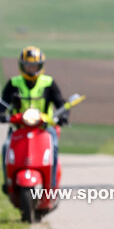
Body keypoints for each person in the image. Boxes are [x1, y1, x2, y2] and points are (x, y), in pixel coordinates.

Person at [1, 47, 68, 189]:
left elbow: (60, 103)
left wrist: (63, 116)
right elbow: (3, 103)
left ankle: (52, 184)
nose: (31, 69)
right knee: (6, 147)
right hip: (19, 128)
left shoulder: (48, 83)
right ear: (21, 66)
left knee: (53, 149)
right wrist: (2, 114)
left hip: (44, 128)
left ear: (40, 66)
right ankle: (8, 183)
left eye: (34, 66)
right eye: (28, 65)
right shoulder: (13, 83)